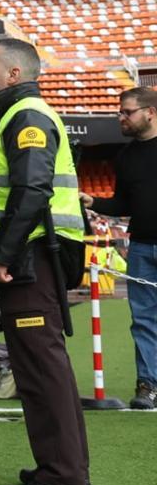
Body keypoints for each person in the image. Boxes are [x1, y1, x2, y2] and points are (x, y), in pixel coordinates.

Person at [0, 39, 90, 485]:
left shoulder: (26, 116)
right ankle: (63, 468)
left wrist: (2, 256)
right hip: (35, 258)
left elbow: (32, 188)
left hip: (29, 261)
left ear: (13, 75)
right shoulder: (24, 115)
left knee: (40, 368)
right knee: (44, 367)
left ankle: (64, 480)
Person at [80, 86, 157, 410]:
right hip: (140, 248)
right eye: (120, 112)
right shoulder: (124, 157)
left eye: (128, 111)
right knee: (143, 321)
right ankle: (149, 386)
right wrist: (93, 201)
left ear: (150, 113)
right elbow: (124, 202)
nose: (121, 117)